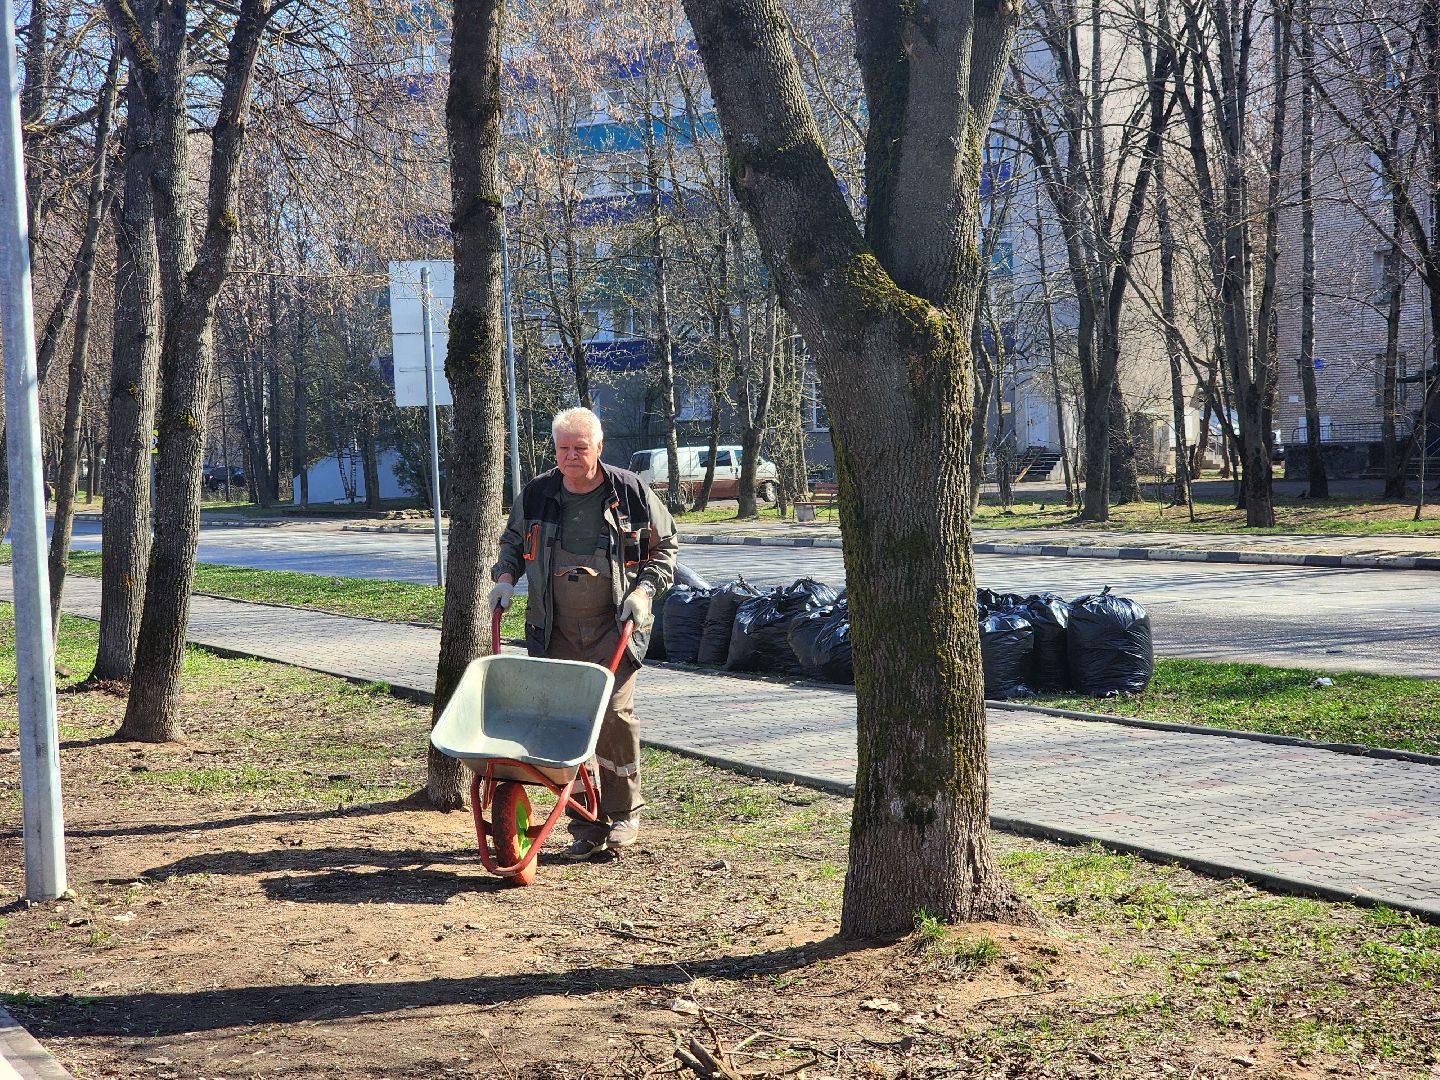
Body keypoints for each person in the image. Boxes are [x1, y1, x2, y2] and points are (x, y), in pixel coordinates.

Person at [488, 407, 677, 860]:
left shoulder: (629, 492)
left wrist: (646, 592)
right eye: (563, 448)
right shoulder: (538, 493)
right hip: (552, 630)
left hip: (615, 629)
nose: (571, 457)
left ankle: (625, 811)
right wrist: (505, 579)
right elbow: (513, 542)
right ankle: (585, 820)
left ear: (599, 447)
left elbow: (665, 547)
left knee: (612, 716)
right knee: (563, 724)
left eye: (580, 448)